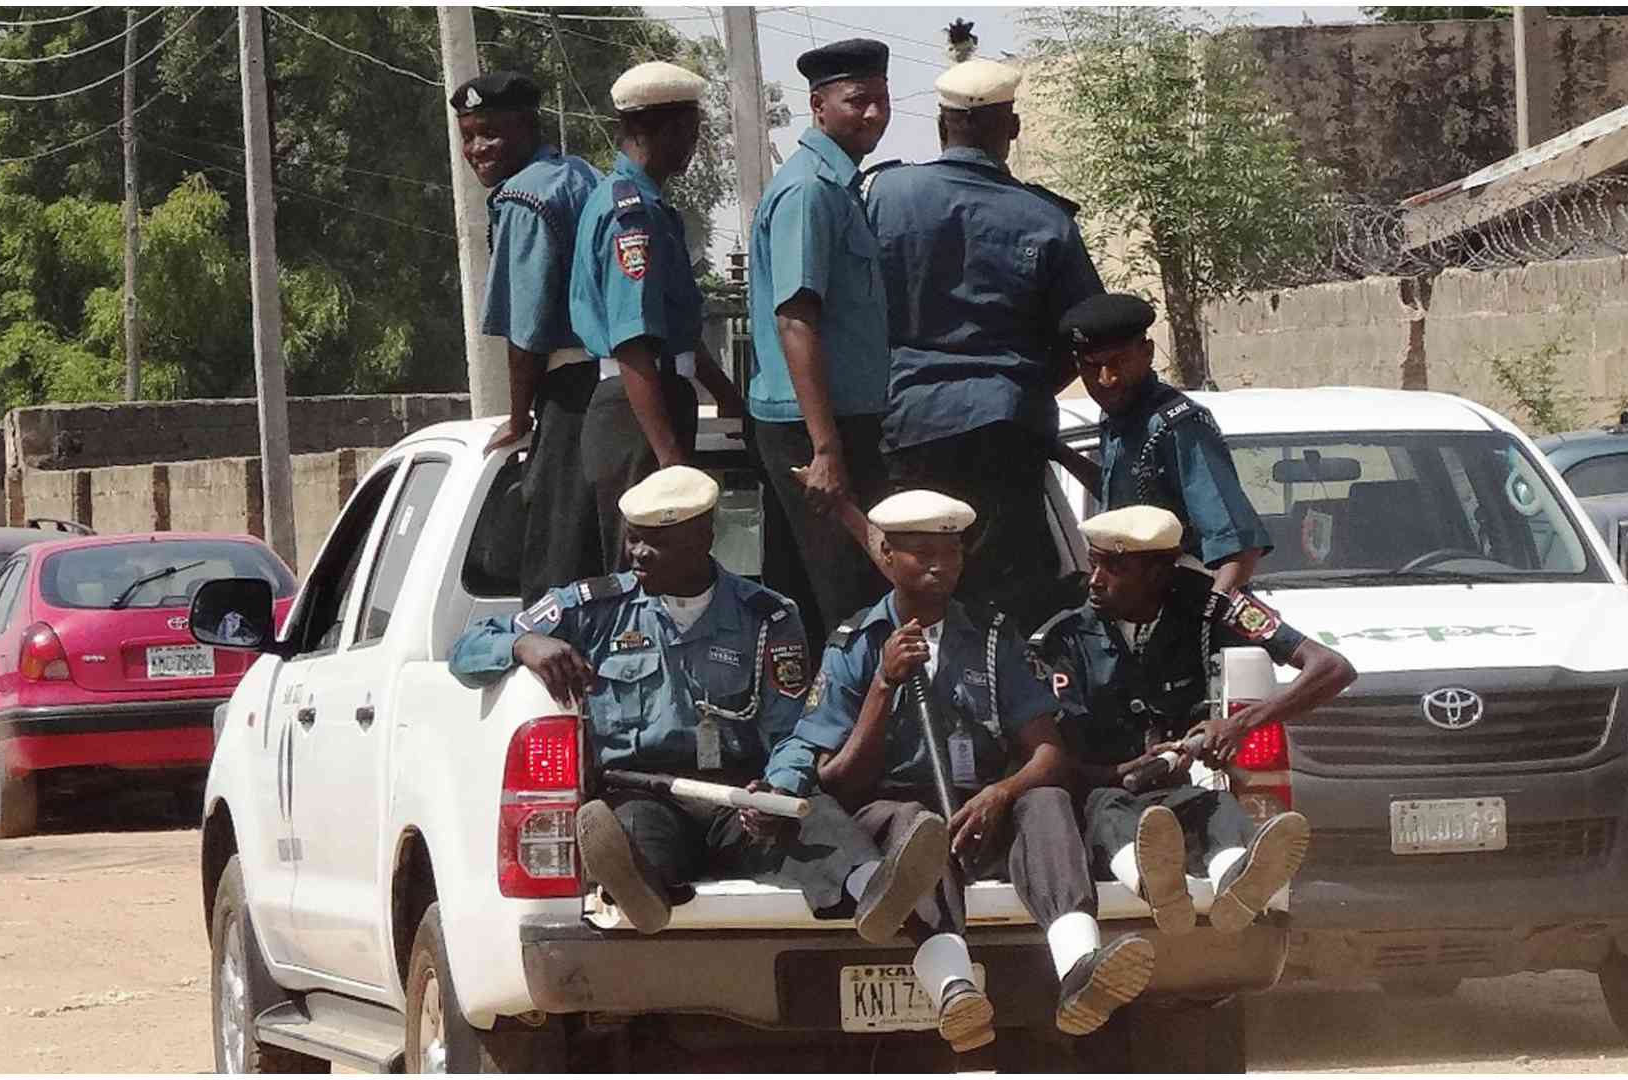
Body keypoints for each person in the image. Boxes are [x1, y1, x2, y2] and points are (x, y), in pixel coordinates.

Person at [449, 466, 946, 943]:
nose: (638, 554)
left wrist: (778, 788)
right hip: (644, 790)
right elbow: (467, 649)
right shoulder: (594, 609)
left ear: (703, 538)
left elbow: (794, 729)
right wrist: (524, 644)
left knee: (814, 818)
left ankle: (873, 892)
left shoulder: (768, 617)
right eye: (633, 538)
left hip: (740, 794)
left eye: (655, 542)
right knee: (632, 832)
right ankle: (638, 891)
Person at [763, 490, 1156, 1053]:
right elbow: (840, 780)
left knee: (1046, 799)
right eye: (921, 553)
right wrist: (884, 685)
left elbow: (1048, 753)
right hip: (894, 814)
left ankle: (1079, 969)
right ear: (886, 555)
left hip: (978, 810)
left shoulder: (994, 637)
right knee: (915, 826)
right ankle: (953, 990)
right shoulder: (854, 645)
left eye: (950, 552)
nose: (940, 566)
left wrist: (1001, 793)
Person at [861, 56, 1104, 629]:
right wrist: (1022, 387)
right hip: (1007, 427)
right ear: (1011, 128)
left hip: (908, 422)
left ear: (940, 126)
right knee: (1008, 600)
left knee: (914, 586)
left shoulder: (885, 194)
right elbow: (1087, 331)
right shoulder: (1046, 218)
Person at [1038, 505, 1355, 936]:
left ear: (1157, 573)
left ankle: (1238, 885)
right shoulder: (1065, 638)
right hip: (1102, 794)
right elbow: (1054, 760)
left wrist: (1240, 725)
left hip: (1176, 792)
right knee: (1109, 809)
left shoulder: (1210, 607)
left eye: (1114, 568)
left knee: (1218, 807)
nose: (1095, 580)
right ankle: (1157, 888)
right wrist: (1124, 770)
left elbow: (1332, 669)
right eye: (1094, 563)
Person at [571, 61, 746, 569]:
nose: (695, 145)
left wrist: (726, 395)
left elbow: (677, 329)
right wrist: (669, 459)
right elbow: (634, 344)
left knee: (670, 571)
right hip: (637, 411)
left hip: (653, 399)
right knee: (647, 569)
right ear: (666, 130)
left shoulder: (645, 204)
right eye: (691, 131)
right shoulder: (633, 215)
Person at [748, 38, 895, 635]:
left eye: (882, 99)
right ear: (818, 105)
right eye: (857, 100)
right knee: (851, 605)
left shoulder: (838, 185)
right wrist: (826, 451)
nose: (874, 114)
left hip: (838, 425)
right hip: (815, 430)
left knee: (832, 605)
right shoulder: (809, 189)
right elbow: (795, 320)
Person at [451, 71, 606, 604]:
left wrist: (520, 419)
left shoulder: (524, 197)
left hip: (572, 392)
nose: (477, 149)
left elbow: (527, 333)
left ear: (526, 126)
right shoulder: (583, 175)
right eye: (468, 135)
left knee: (555, 570)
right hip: (620, 383)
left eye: (490, 133)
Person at [1054, 294, 1273, 594]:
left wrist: (1207, 611)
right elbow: (1122, 496)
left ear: (1147, 353)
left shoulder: (1177, 426)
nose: (1106, 379)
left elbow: (1239, 548)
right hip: (1133, 603)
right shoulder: (1116, 417)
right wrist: (1058, 452)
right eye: (1092, 367)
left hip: (1181, 601)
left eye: (1117, 362)